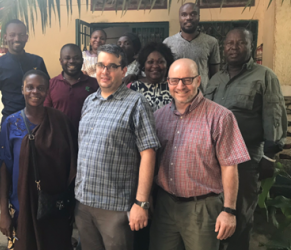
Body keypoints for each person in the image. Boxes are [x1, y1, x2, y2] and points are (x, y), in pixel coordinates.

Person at [150, 58, 251, 250]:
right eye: (174, 80)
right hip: (166, 206)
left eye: (187, 80)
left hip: (203, 209)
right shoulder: (159, 117)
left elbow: (230, 166)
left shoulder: (220, 117)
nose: (180, 86)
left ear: (198, 80)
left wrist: (229, 210)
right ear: (168, 83)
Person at [205, 28, 288, 250]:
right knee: (217, 217)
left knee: (239, 217)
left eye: (240, 43)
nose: (233, 47)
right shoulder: (216, 79)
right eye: (229, 43)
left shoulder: (264, 76)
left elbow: (274, 115)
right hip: (214, 162)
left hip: (246, 160)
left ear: (251, 46)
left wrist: (270, 156)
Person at [75, 44, 161, 250]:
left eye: (112, 66)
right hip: (84, 203)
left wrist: (141, 203)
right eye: (101, 65)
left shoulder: (136, 103)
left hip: (116, 207)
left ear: (123, 71)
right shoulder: (89, 101)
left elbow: (148, 154)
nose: (105, 71)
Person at [0, 70, 78, 250]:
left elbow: (72, 165)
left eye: (41, 88)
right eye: (30, 87)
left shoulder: (60, 122)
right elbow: (4, 169)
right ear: (22, 89)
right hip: (22, 206)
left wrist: (72, 205)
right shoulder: (11, 124)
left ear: (47, 91)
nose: (35, 92)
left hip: (55, 206)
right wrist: (4, 213)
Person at [0, 19, 49, 144]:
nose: (17, 38)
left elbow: (48, 92)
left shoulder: (37, 62)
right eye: (12, 35)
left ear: (26, 37)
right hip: (11, 124)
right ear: (5, 37)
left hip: (39, 124)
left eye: (21, 35)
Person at [163, 2, 220, 92]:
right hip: (176, 95)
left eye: (193, 14)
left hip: (202, 97)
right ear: (179, 18)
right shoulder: (168, 43)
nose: (188, 18)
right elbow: (164, 73)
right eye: (184, 15)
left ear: (199, 17)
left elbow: (215, 75)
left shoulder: (211, 42)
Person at [44, 43, 99, 129]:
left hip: (86, 136)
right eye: (67, 58)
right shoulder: (51, 84)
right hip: (60, 136)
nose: (72, 61)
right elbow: (46, 113)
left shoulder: (94, 84)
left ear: (82, 60)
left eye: (76, 58)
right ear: (61, 61)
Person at [129, 42, 175, 111]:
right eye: (150, 62)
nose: (155, 66)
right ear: (143, 65)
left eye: (160, 62)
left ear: (167, 64)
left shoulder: (175, 86)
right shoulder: (133, 87)